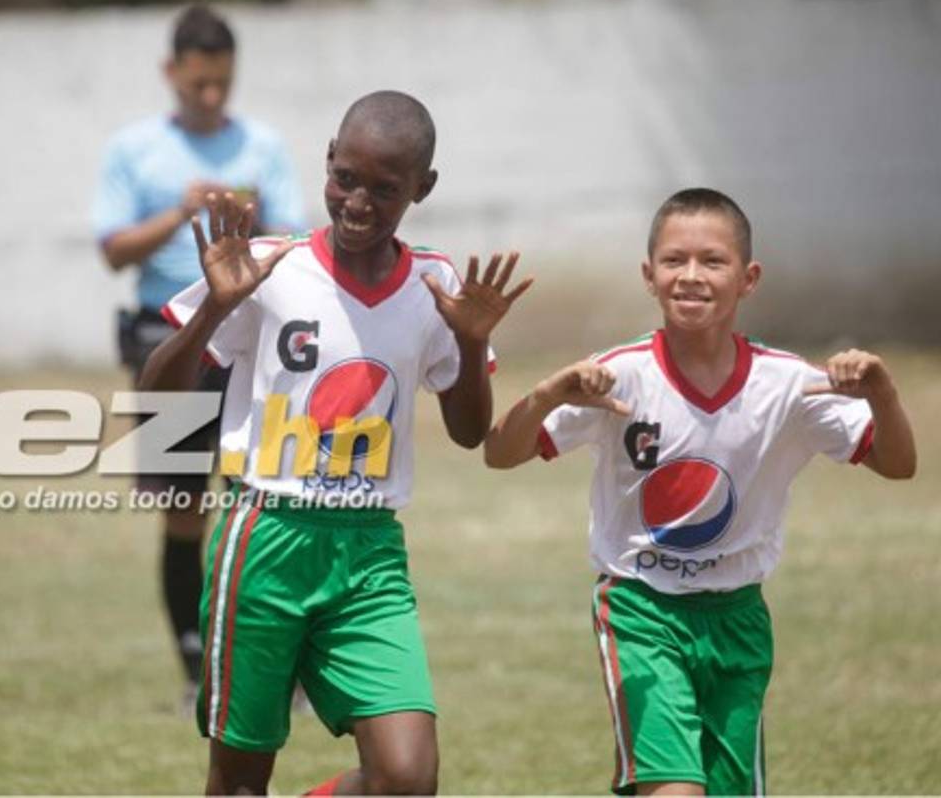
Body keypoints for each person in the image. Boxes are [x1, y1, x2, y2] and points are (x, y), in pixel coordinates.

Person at [139, 90, 531, 794]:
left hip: (369, 552)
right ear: (326, 161)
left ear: (423, 188)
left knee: (407, 778)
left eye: (385, 189)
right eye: (345, 178)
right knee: (237, 783)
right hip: (266, 539)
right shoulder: (267, 267)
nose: (357, 202)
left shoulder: (437, 287)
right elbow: (155, 398)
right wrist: (215, 312)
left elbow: (471, 432)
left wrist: (471, 347)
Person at [484, 187, 916, 795]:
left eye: (713, 261)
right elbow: (500, 454)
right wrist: (550, 395)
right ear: (648, 275)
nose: (691, 277)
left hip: (738, 617)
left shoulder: (787, 385)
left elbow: (898, 465)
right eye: (673, 261)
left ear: (749, 278)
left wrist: (882, 393)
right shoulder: (619, 376)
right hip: (641, 610)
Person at [92, 4, 308, 701]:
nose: (211, 97)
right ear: (171, 73)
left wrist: (247, 220)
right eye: (198, 86)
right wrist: (181, 215)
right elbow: (112, 249)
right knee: (185, 509)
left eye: (222, 83)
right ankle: (195, 669)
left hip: (254, 339)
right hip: (170, 340)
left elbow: (298, 239)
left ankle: (284, 662)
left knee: (274, 503)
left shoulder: (263, 146)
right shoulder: (133, 150)